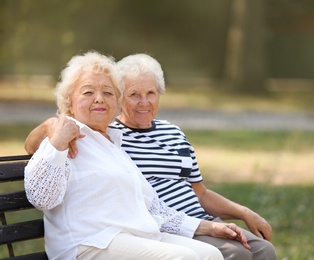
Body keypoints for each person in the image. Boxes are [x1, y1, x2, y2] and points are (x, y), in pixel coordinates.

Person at [25, 53, 277, 259]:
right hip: (89, 242)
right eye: (88, 92)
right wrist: (55, 138)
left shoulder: (113, 143)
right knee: (189, 258)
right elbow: (42, 197)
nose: (99, 99)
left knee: (211, 255)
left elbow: (152, 208)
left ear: (115, 102)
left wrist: (209, 225)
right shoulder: (66, 135)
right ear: (69, 100)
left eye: (108, 93)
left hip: (132, 235)